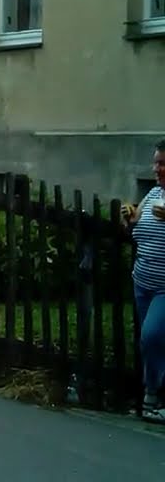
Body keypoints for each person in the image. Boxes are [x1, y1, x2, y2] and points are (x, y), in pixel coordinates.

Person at [124, 139, 165, 423]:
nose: (157, 168)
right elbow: (137, 228)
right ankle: (153, 396)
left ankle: (156, 392)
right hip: (143, 283)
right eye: (156, 162)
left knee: (151, 337)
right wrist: (129, 217)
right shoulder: (152, 194)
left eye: (162, 163)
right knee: (151, 341)